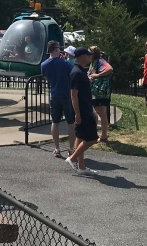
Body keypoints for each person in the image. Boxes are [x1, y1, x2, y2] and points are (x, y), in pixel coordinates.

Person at [40, 40, 75, 158]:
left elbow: (46, 78)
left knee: (55, 122)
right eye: (59, 48)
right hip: (66, 94)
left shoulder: (44, 65)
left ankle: (57, 149)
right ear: (55, 49)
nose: (60, 50)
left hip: (54, 94)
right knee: (71, 123)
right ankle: (71, 149)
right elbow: (73, 74)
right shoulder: (64, 63)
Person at [66, 48, 98, 176]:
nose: (90, 57)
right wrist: (77, 113)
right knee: (92, 138)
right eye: (88, 55)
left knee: (80, 137)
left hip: (86, 109)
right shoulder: (76, 73)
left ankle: (81, 167)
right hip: (82, 111)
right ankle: (72, 158)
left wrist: (92, 109)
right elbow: (73, 95)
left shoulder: (82, 71)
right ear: (82, 56)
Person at [88, 46, 114, 143]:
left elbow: (110, 69)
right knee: (97, 113)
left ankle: (103, 136)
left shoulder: (100, 61)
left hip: (101, 92)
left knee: (101, 113)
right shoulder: (93, 63)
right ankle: (96, 134)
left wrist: (97, 75)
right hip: (95, 92)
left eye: (89, 52)